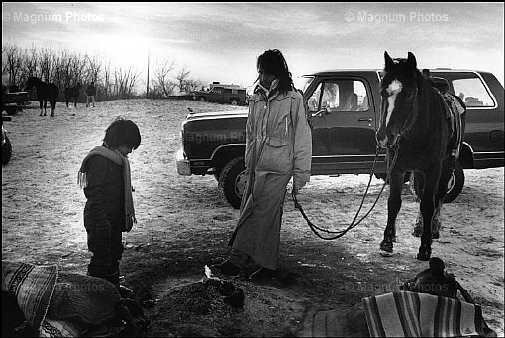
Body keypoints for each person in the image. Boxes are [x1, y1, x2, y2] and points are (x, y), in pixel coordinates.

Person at [210, 49, 312, 281]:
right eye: (261, 72)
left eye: (267, 72)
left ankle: (236, 260)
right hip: (257, 166)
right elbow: (251, 132)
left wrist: (301, 174)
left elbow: (303, 138)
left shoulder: (293, 99)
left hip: (279, 167)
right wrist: (248, 161)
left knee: (259, 212)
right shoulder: (256, 98)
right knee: (262, 213)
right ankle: (266, 266)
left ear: (278, 72)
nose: (263, 76)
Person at [78, 117, 141, 293]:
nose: (130, 151)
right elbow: (93, 192)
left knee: (114, 254)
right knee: (101, 258)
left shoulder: (117, 160)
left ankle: (112, 291)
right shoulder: (100, 159)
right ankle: (94, 295)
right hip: (100, 220)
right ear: (118, 141)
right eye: (128, 146)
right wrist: (102, 222)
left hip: (113, 218)